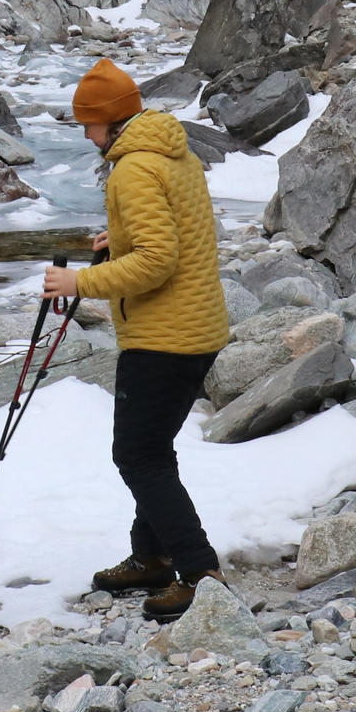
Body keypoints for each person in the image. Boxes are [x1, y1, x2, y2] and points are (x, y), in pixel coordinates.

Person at [42, 57, 230, 621]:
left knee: (138, 456)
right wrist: (116, 240)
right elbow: (168, 232)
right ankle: (150, 557)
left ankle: (199, 573)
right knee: (152, 451)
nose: (84, 134)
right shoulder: (171, 152)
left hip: (164, 336)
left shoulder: (132, 170)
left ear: (108, 121)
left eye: (87, 123)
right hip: (196, 328)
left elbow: (156, 261)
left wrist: (80, 280)